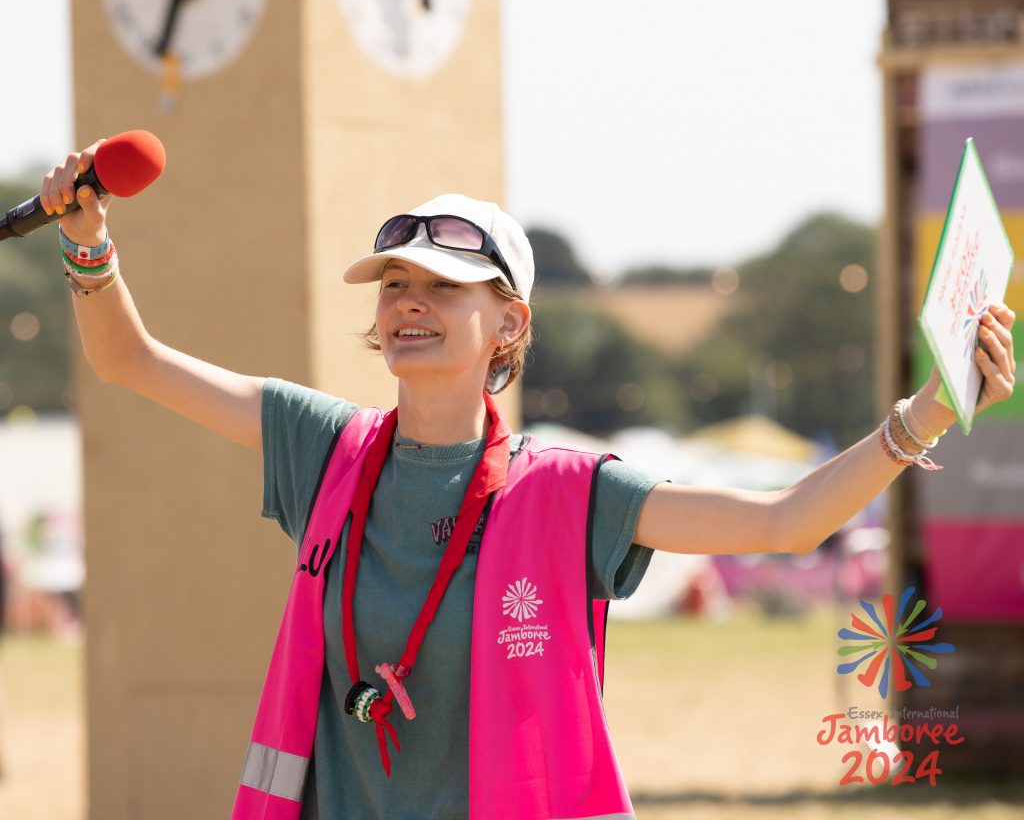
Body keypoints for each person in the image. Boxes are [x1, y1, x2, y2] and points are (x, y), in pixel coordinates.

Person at [40, 142, 1016, 820]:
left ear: (507, 321)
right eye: (393, 285)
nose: (407, 302)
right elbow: (131, 360)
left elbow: (787, 519)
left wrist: (926, 411)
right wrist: (88, 243)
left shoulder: (568, 492)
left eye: (440, 286)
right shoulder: (322, 447)